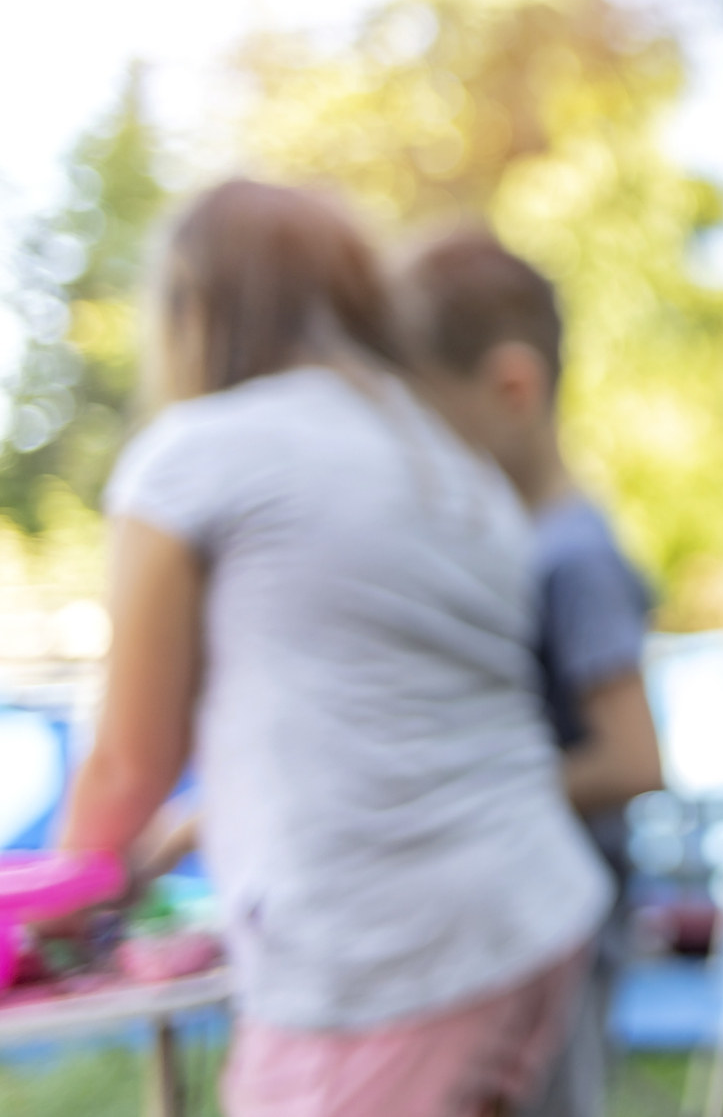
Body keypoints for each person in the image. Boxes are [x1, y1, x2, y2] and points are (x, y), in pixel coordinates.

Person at [61, 180, 611, 1117]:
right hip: (540, 911)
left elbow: (126, 764)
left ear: (194, 310)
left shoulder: (198, 453)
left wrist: (49, 921)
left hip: (387, 959)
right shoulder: (448, 460)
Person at [396, 226, 663, 1117]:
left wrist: (469, 793)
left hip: (571, 916)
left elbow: (633, 759)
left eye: (426, 421)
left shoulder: (571, 557)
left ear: (512, 387)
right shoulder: (529, 545)